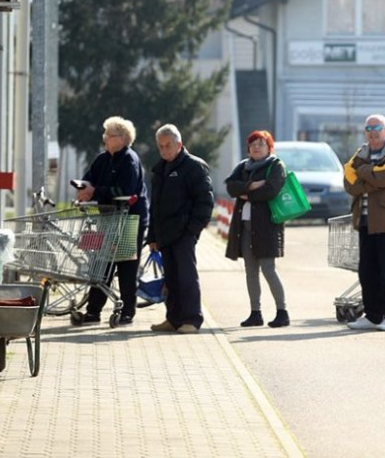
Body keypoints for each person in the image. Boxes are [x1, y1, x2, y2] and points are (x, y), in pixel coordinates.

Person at [76, 116, 149, 326]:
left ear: (123, 139)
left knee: (126, 266)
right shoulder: (102, 159)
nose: (105, 138)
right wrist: (83, 187)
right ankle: (93, 312)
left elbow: (124, 190)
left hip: (130, 219)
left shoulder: (129, 160)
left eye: (109, 135)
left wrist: (95, 191)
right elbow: (89, 177)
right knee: (101, 264)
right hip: (108, 218)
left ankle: (127, 311)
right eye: (105, 134)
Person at [343, 115, 385, 332]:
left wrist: (365, 175)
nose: (373, 132)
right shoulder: (360, 154)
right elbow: (349, 183)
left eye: (377, 127)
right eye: (369, 128)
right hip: (365, 221)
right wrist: (375, 180)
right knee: (367, 271)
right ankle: (372, 315)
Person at [146, 124, 214, 334]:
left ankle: (192, 320)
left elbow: (205, 200)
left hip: (184, 233)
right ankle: (173, 319)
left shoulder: (194, 166)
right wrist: (152, 236)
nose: (165, 150)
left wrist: (192, 230)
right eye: (161, 146)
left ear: (179, 144)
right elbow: (154, 206)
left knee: (186, 277)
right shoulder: (159, 170)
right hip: (165, 234)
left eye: (168, 145)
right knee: (171, 279)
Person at [224, 130, 289, 329]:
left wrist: (247, 194)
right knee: (250, 271)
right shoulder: (243, 166)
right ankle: (255, 313)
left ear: (269, 147)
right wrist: (252, 185)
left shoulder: (276, 165)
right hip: (244, 227)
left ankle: (282, 312)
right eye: (253, 144)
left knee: (268, 269)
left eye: (261, 143)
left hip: (266, 227)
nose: (256, 147)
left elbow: (271, 190)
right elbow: (231, 187)